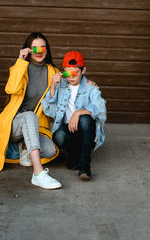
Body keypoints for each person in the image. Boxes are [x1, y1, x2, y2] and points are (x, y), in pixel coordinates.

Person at [0, 32, 62, 189]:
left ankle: (24, 146)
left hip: (36, 127)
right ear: (29, 50)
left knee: (50, 150)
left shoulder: (53, 72)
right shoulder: (20, 68)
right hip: (15, 124)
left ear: (47, 50)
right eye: (35, 49)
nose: (39, 52)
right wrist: (20, 60)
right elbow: (11, 88)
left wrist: (87, 84)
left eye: (43, 48)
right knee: (29, 116)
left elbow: (64, 94)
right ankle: (38, 173)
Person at [41, 51, 106, 180]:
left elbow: (100, 107)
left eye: (74, 72)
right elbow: (49, 110)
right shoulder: (61, 86)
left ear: (83, 70)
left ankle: (84, 166)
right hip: (68, 130)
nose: (70, 77)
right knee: (58, 136)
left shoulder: (90, 88)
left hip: (85, 132)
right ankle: (75, 153)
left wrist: (78, 112)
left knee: (85, 119)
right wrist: (53, 85)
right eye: (66, 73)